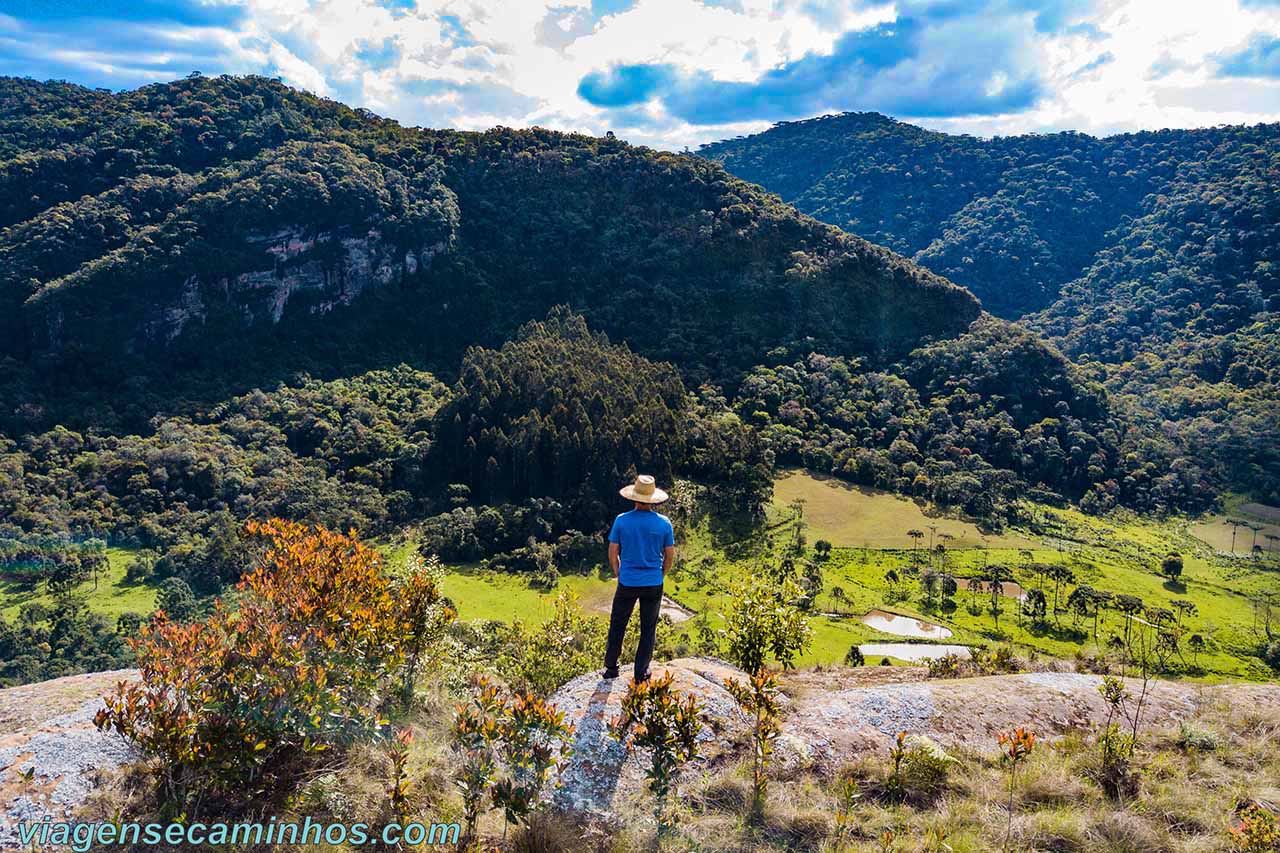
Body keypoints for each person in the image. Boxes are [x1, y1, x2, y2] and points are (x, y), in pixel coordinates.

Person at [602, 474, 674, 682]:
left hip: (628, 581)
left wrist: (619, 572)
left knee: (618, 623)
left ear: (634, 497)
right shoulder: (664, 523)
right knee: (648, 627)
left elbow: (613, 551)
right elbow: (669, 555)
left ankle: (611, 668)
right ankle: (641, 672)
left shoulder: (622, 521)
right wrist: (661, 574)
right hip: (653, 582)